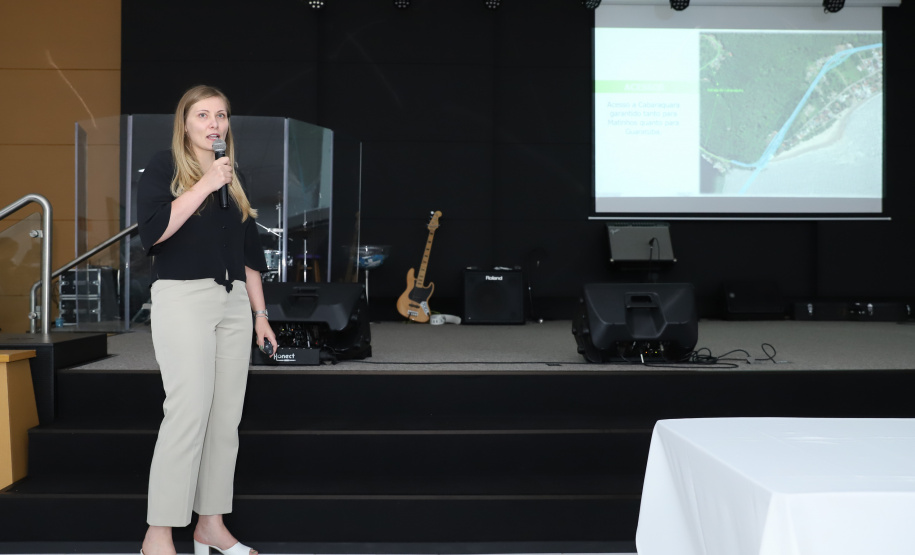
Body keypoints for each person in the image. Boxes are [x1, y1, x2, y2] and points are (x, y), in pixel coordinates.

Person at [137, 84, 277, 555]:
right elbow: (154, 234)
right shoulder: (166, 168)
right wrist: (204, 185)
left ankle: (209, 526)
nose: (214, 123)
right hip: (184, 300)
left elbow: (249, 254)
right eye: (203, 115)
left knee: (224, 420)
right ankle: (158, 535)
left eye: (221, 115)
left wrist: (260, 314)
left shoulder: (231, 177)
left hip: (234, 303)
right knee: (188, 413)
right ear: (185, 123)